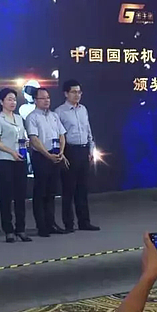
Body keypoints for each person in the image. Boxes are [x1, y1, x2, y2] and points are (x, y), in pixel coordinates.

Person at [55, 80, 100, 232]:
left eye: (79, 92)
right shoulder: (59, 112)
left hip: (83, 150)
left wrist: (91, 148)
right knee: (68, 189)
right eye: (74, 92)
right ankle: (68, 223)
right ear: (66, 93)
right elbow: (58, 135)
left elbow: (88, 130)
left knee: (82, 189)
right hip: (70, 151)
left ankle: (84, 222)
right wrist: (62, 153)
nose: (77, 95)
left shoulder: (83, 109)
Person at [25, 87, 69, 237]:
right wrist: (48, 155)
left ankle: (51, 223)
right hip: (41, 157)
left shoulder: (54, 116)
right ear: (35, 100)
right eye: (43, 98)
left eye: (48, 98)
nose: (46, 100)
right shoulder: (32, 117)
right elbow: (34, 139)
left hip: (55, 156)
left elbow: (62, 135)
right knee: (40, 192)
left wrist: (61, 152)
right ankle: (42, 226)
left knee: (51, 192)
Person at [0, 88, 32, 243]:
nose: (12, 102)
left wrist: (26, 142)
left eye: (14, 99)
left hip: (20, 160)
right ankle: (8, 230)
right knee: (6, 196)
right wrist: (11, 152)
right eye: (9, 99)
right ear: (1, 102)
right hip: (5, 161)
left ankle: (21, 228)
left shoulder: (19, 118)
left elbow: (22, 136)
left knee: (20, 196)